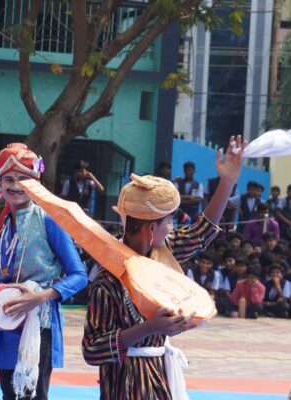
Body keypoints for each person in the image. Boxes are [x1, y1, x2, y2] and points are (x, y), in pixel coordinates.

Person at [81, 136, 244, 400]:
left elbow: (201, 233)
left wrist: (227, 182)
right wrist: (151, 327)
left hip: (160, 377)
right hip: (123, 386)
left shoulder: (163, 251)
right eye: (169, 221)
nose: (172, 228)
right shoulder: (108, 279)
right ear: (150, 229)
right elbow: (92, 350)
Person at [0, 143, 87, 400]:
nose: (16, 185)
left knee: (34, 394)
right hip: (5, 319)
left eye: (23, 179)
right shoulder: (3, 224)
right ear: (0, 183)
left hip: (39, 322)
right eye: (9, 179)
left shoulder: (49, 220)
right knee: (9, 393)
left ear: (35, 183)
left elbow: (79, 275)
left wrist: (39, 297)